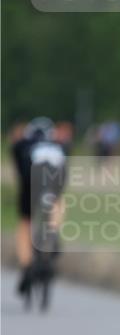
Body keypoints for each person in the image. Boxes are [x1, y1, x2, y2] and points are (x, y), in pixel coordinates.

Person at [10, 117, 68, 296]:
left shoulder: (21, 145)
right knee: (57, 201)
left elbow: (20, 173)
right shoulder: (60, 146)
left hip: (30, 185)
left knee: (25, 223)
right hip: (54, 182)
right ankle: (53, 230)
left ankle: (27, 265)